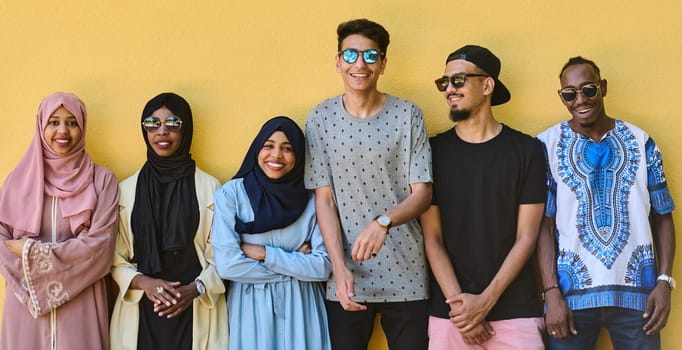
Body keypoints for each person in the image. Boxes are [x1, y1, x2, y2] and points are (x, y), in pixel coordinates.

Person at [304, 18, 432, 350]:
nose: (360, 64)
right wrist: (338, 268)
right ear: (337, 62)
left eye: (370, 56)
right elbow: (325, 200)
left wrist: (383, 222)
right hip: (347, 277)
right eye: (350, 55)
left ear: (383, 63)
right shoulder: (321, 118)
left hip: (406, 274)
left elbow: (423, 193)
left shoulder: (408, 115)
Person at [537, 56, 676, 350]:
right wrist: (550, 292)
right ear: (561, 97)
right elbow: (543, 226)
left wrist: (664, 282)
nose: (580, 100)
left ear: (603, 87)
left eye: (588, 89)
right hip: (570, 298)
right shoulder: (545, 147)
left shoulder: (642, 142)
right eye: (569, 94)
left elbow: (663, 216)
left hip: (639, 300)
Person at [421, 45, 546, 350]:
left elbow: (526, 238)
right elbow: (432, 237)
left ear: (487, 85)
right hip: (450, 314)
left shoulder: (526, 151)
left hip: (515, 311)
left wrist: (484, 303)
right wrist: (462, 310)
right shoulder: (432, 152)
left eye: (459, 80)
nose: (449, 89)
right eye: (444, 83)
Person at [0, 92, 119, 349]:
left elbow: (100, 250)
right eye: (53, 122)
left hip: (82, 306)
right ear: (41, 126)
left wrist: (30, 250)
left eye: (72, 122)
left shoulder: (102, 181)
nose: (62, 131)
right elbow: (2, 244)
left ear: (82, 126)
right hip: (26, 307)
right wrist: (70, 254)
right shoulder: (17, 182)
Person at [110, 92, 227, 350]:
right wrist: (145, 283)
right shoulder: (125, 192)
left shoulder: (211, 189)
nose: (162, 132)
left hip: (195, 306)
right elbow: (114, 258)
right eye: (152, 124)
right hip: (141, 309)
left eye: (173, 123)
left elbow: (224, 255)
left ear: (186, 128)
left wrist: (195, 288)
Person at [212, 116, 332, 350]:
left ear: (298, 155)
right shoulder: (232, 194)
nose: (276, 155)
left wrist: (264, 253)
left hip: (302, 307)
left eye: (287, 149)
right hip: (250, 308)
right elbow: (228, 266)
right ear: (257, 148)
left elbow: (323, 266)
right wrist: (296, 264)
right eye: (268, 146)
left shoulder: (311, 198)